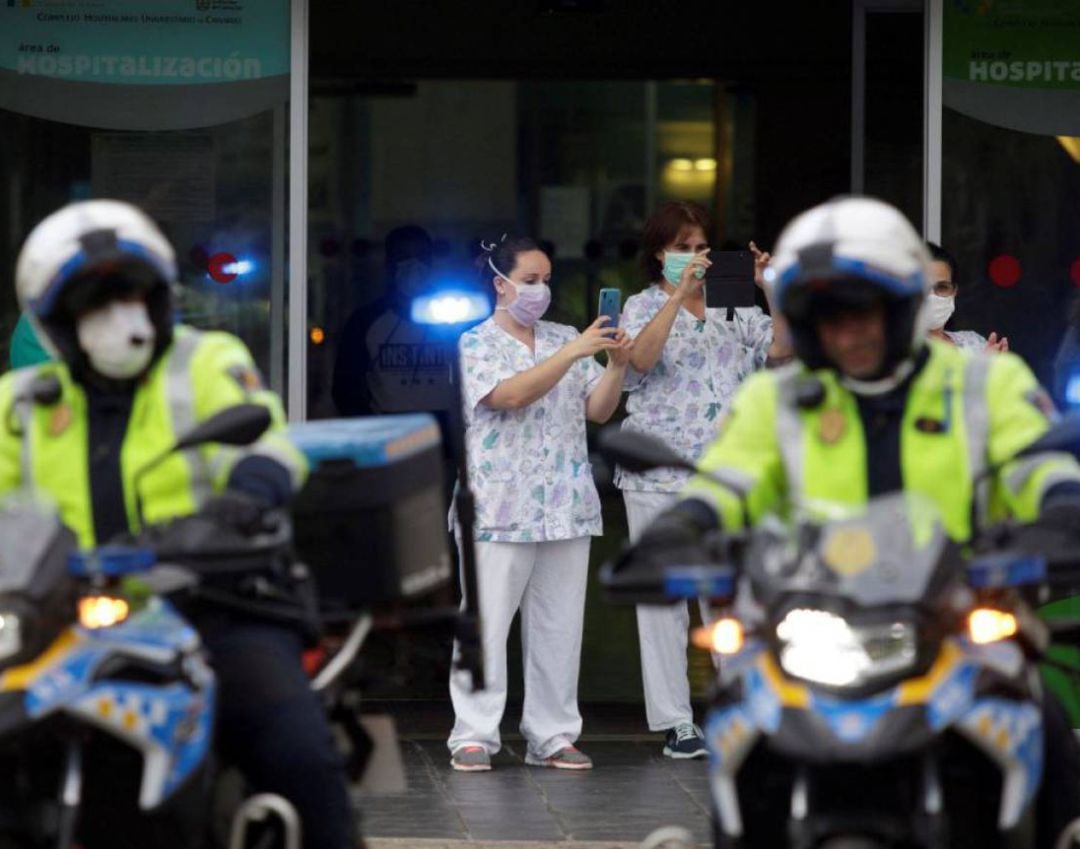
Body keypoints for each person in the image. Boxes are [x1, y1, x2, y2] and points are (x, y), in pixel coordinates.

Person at [620, 196, 1080, 848]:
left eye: (864, 305)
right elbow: (725, 482)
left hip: (956, 618)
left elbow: (1041, 463)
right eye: (827, 308)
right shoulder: (775, 398)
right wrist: (680, 530)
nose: (847, 327)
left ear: (902, 302)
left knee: (1036, 707)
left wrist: (1061, 514)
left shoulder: (983, 384)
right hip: (812, 618)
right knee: (739, 716)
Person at [1, 200, 359, 849]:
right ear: (55, 322)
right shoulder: (23, 403)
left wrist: (241, 502)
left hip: (213, 603)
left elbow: (268, 443)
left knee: (294, 750)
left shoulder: (205, 360)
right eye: (93, 300)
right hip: (61, 620)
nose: (118, 312)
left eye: (131, 292)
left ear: (160, 296)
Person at [447, 235, 633, 773]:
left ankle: (552, 734)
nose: (541, 290)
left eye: (546, 279)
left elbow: (598, 410)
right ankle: (473, 734)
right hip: (497, 508)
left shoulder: (565, 336)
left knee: (558, 626)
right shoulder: (473, 343)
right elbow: (508, 397)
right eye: (530, 280)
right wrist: (574, 352)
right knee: (485, 625)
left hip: (565, 503)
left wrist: (616, 366)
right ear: (498, 284)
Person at [615, 200, 790, 759]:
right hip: (656, 472)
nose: (693, 257)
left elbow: (782, 352)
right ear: (658, 254)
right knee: (663, 603)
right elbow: (638, 362)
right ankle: (675, 721)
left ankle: (738, 710)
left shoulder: (735, 307)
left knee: (731, 599)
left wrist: (768, 290)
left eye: (700, 246)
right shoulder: (640, 305)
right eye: (680, 247)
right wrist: (675, 296)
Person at [332, 224, 460, 418]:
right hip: (388, 433)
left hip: (447, 435)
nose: (414, 265)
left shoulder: (457, 316)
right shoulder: (366, 320)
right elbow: (346, 389)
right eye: (403, 257)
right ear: (388, 263)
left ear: (430, 261)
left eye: (421, 256)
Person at [925, 240, 1008, 353]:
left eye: (942, 287)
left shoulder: (974, 343)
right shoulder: (897, 354)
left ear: (954, 291)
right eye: (922, 288)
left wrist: (997, 367)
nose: (932, 296)